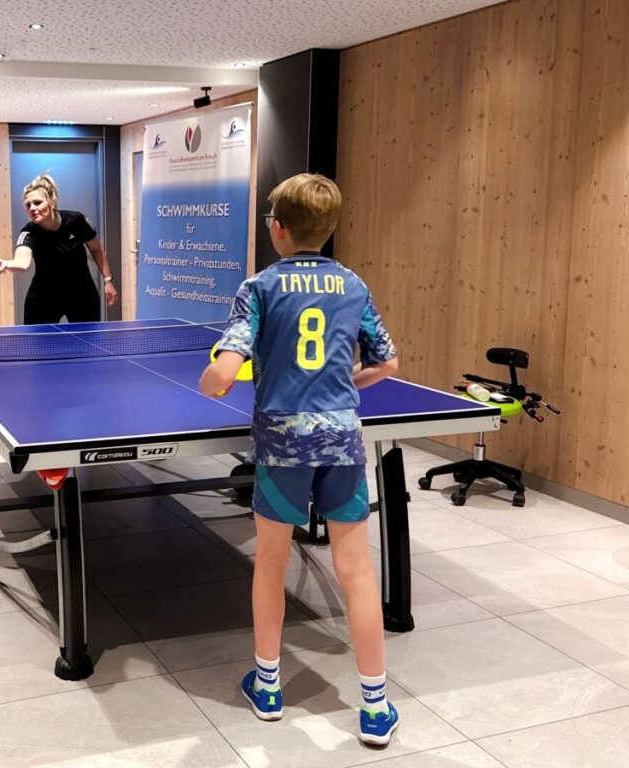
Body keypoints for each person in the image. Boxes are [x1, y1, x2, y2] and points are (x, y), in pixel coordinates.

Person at [198, 173, 400, 746]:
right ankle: (375, 705)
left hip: (282, 445)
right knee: (357, 570)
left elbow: (225, 371)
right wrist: (346, 384)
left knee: (270, 563)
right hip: (341, 440)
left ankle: (267, 687)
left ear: (279, 228)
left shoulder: (260, 286)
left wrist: (212, 379)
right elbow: (387, 363)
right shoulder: (353, 284)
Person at [0, 174, 117, 324]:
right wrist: (5, 264)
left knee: (87, 339)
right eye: (28, 205)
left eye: (37, 203)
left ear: (52, 202)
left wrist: (108, 281)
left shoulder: (77, 221)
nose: (32, 208)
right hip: (44, 296)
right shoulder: (29, 232)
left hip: (81, 292)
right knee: (38, 339)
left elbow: (96, 248)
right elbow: (22, 263)